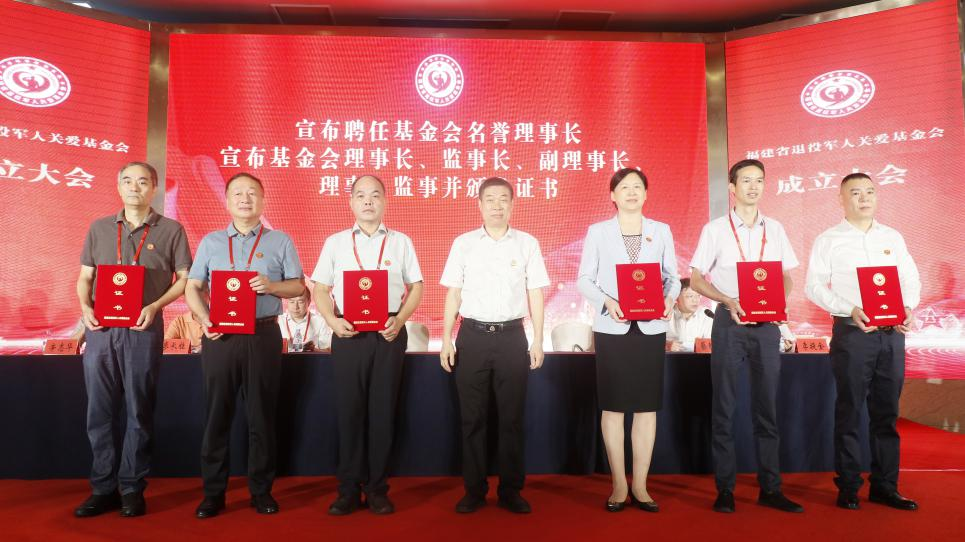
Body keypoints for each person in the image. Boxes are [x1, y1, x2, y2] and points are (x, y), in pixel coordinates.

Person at [74, 162, 192, 518]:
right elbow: (85, 277)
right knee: (99, 412)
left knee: (139, 411)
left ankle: (131, 488)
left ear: (154, 188)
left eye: (142, 182)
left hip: (143, 328)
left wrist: (155, 306)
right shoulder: (99, 228)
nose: (134, 187)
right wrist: (85, 307)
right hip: (101, 331)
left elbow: (184, 279)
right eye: (127, 181)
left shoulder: (171, 229)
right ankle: (102, 488)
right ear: (118, 186)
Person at [185, 173, 304, 518]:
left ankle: (261, 491)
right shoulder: (211, 242)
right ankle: (213, 493)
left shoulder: (280, 240)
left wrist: (271, 286)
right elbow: (193, 286)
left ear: (263, 201)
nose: (245, 199)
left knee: (261, 416)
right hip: (220, 337)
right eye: (238, 193)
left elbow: (298, 286)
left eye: (252, 193)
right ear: (227, 201)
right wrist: (204, 318)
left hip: (263, 334)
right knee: (216, 415)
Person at [689, 159, 803, 513]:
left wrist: (779, 299)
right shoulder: (715, 230)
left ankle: (771, 488)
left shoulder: (776, 229)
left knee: (767, 408)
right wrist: (726, 299)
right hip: (730, 322)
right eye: (746, 181)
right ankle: (725, 489)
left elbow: (786, 276)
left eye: (759, 180)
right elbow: (696, 279)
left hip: (767, 325)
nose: (754, 187)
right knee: (724, 406)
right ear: (732, 188)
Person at [805, 172, 920, 511]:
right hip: (853, 333)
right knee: (851, 409)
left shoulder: (892, 237)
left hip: (891, 335)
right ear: (841, 199)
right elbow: (814, 286)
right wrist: (849, 308)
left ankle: (885, 486)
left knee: (887, 412)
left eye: (870, 191)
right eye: (855, 193)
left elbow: (909, 277)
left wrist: (908, 306)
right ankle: (849, 485)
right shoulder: (829, 239)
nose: (865, 198)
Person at [311, 174, 424, 515]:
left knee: (382, 412)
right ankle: (348, 489)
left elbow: (416, 286)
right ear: (351, 202)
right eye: (361, 195)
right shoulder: (335, 243)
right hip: (348, 331)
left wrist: (400, 320)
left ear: (385, 201)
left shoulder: (401, 242)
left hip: (388, 331)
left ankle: (377, 489)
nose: (368, 201)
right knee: (350, 411)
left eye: (375, 195)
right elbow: (320, 289)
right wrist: (332, 321)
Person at [440, 177, 550, 514]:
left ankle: (510, 490)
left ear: (513, 204)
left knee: (511, 418)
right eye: (490, 199)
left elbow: (535, 293)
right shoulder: (463, 244)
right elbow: (453, 293)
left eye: (504, 199)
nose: (497, 206)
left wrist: (538, 339)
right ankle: (474, 490)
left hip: (512, 336)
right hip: (471, 336)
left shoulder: (527, 243)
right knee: (472, 418)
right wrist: (446, 339)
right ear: (479, 204)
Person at [577, 168, 679, 512]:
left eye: (638, 187)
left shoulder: (661, 230)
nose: (632, 192)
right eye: (624, 187)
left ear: (646, 194)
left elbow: (672, 277)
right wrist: (607, 301)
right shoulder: (598, 232)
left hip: (650, 328)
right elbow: (584, 279)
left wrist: (669, 299)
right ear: (613, 195)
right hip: (613, 327)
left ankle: (641, 485)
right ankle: (619, 484)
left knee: (646, 407)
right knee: (614, 406)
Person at [667, 278, 714, 352]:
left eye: (698, 296)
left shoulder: (706, 314)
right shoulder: (666, 313)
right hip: (669, 357)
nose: (695, 300)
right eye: (690, 296)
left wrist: (698, 346)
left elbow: (712, 345)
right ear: (676, 297)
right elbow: (652, 342)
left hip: (699, 358)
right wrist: (666, 345)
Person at [278, 287, 331, 352]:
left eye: (300, 302)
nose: (295, 307)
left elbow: (327, 349)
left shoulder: (320, 321)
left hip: (311, 358)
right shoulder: (279, 321)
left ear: (309, 302)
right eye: (292, 302)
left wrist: (314, 350)